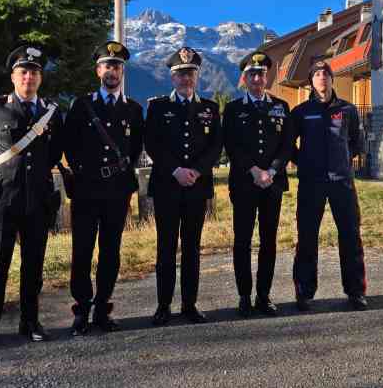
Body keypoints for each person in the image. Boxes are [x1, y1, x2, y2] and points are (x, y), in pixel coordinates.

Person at [0, 45, 64, 348]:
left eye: (34, 72)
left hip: (37, 199)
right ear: (13, 76)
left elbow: (54, 152)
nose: (29, 77)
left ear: (40, 78)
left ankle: (30, 321)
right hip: (2, 199)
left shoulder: (51, 111)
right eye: (24, 72)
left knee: (34, 265)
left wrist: (35, 178)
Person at [64, 41, 144, 335]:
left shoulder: (134, 109)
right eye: (107, 65)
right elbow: (69, 143)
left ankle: (102, 307)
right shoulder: (82, 105)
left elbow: (136, 146)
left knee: (111, 251)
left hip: (117, 190)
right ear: (98, 70)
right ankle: (81, 310)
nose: (113, 71)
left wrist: (118, 172)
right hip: (86, 189)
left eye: (118, 66)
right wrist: (84, 171)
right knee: (82, 250)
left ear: (123, 71)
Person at [145, 47, 222, 326]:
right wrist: (175, 170)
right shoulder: (157, 107)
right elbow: (151, 143)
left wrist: (197, 171)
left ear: (197, 75)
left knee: (192, 247)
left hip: (197, 187)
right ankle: (163, 306)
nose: (185, 79)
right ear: (171, 77)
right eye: (180, 74)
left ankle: (190, 304)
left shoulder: (210, 109)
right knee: (165, 247)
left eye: (190, 73)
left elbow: (216, 145)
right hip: (167, 185)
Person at [290, 60, 367, 312]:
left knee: (350, 237)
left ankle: (356, 292)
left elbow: (357, 141)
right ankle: (304, 293)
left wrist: (343, 160)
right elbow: (288, 144)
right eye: (317, 74)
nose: (322, 78)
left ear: (332, 80)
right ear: (311, 81)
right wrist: (303, 161)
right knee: (307, 238)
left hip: (341, 183)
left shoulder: (348, 110)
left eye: (326, 74)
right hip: (311, 183)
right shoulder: (301, 111)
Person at [222, 51, 293, 317]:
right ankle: (244, 296)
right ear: (244, 78)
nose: (257, 78)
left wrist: (272, 171)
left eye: (261, 73)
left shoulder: (281, 107)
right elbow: (231, 145)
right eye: (252, 74)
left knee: (269, 241)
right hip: (244, 183)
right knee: (242, 241)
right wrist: (253, 170)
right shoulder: (233, 109)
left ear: (267, 76)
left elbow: (287, 145)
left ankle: (264, 295)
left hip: (272, 184)